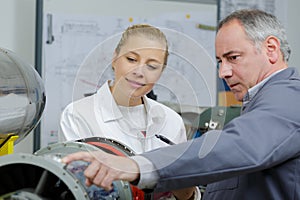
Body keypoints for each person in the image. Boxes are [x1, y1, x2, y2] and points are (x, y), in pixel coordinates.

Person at [62, 9, 300, 199]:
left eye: (233, 58)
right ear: (115, 58)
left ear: (271, 49)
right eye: (220, 61)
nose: (223, 73)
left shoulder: (291, 95)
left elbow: (243, 146)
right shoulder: (259, 103)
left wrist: (135, 166)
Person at [59, 24, 200, 200]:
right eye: (132, 59)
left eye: (152, 66)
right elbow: (79, 188)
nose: (139, 72)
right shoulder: (78, 115)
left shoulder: (171, 121)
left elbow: (185, 193)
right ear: (114, 58)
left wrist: (186, 190)